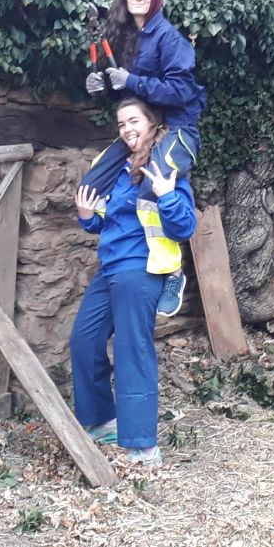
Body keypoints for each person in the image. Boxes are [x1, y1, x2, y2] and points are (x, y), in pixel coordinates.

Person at [70, 97, 198, 468]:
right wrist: (86, 217)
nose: (127, 129)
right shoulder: (116, 168)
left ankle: (142, 444)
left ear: (152, 122)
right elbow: (105, 222)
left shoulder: (164, 167)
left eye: (133, 121)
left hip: (142, 269)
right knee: (83, 340)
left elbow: (184, 227)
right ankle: (101, 421)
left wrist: (167, 196)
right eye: (121, 124)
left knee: (131, 350)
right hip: (110, 267)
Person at [82, 0, 206, 317]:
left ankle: (171, 270)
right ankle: (118, 250)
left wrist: (132, 80)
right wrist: (101, 86)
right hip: (142, 125)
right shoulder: (123, 38)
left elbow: (180, 91)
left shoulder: (169, 38)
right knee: (91, 184)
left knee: (154, 183)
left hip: (177, 127)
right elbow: (125, 97)